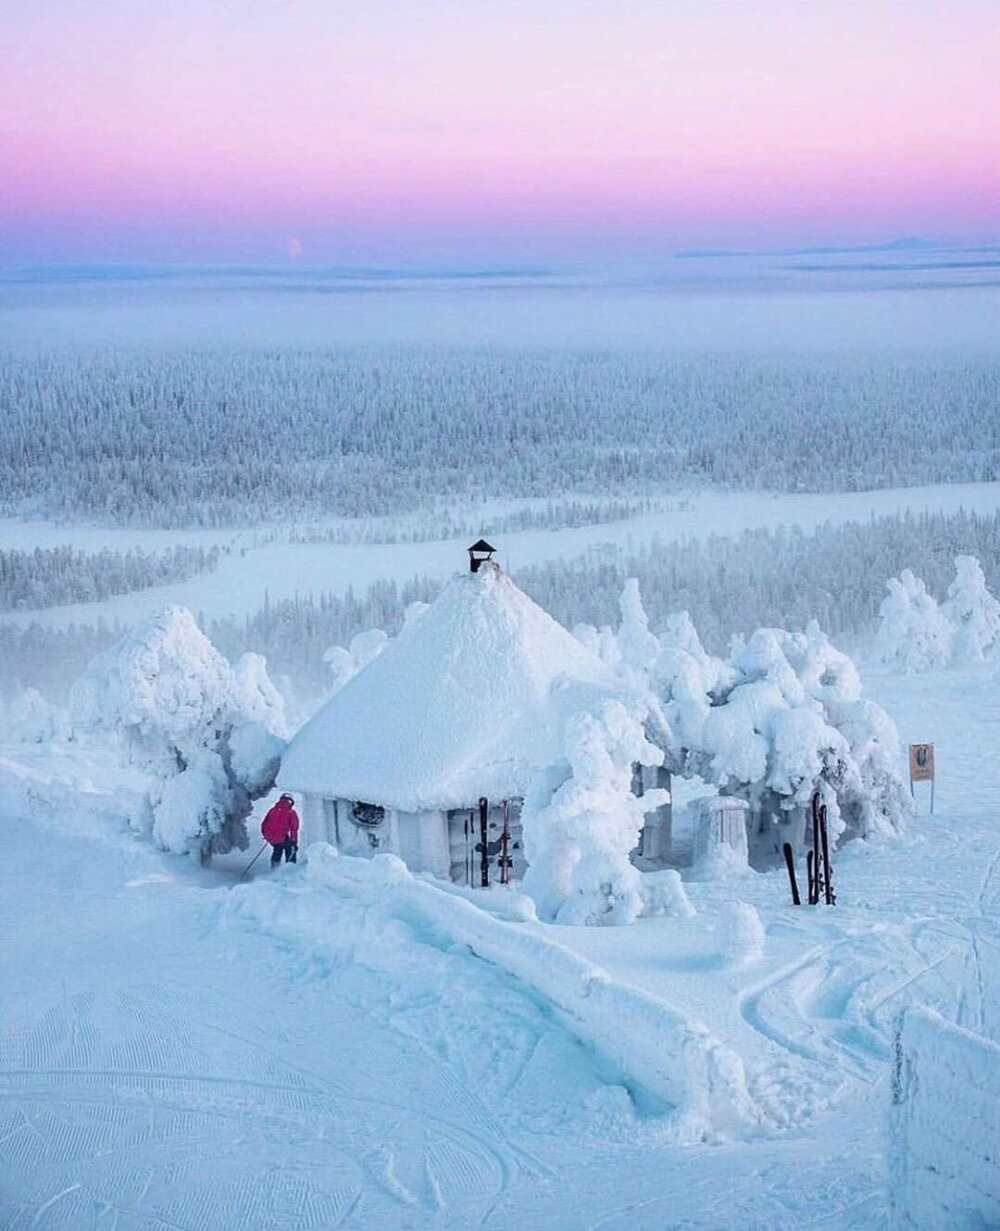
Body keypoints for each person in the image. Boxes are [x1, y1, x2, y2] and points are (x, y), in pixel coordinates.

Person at [261, 793, 300, 866]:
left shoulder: (272, 810)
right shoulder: (291, 813)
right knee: (290, 850)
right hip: (282, 837)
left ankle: (275, 866)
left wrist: (266, 835)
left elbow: (264, 823)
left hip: (272, 837)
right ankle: (290, 868)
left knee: (277, 849)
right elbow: (294, 828)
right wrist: (294, 841)